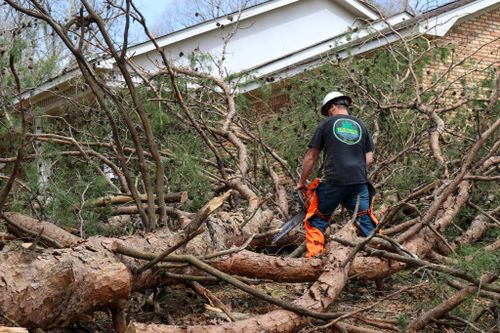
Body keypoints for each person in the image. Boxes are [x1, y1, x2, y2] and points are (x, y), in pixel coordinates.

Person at [295, 91, 378, 258]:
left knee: (316, 220)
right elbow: (369, 159)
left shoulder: (327, 124)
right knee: (365, 221)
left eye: (328, 111)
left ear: (332, 107)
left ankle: (315, 259)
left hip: (334, 181)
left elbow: (311, 156)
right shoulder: (361, 125)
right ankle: (379, 257)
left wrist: (302, 182)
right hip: (358, 182)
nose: (328, 115)